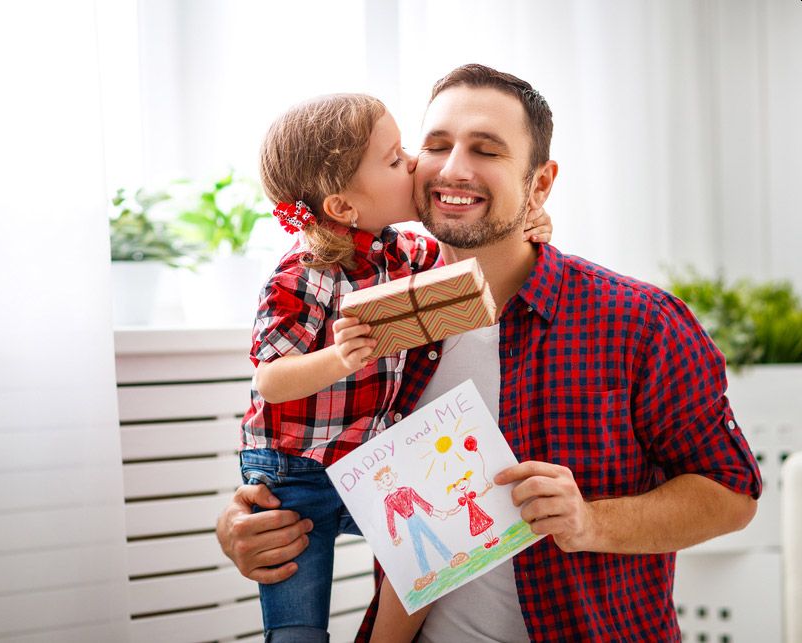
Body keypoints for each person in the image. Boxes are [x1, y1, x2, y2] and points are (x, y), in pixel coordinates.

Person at [217, 64, 762, 642]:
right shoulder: (378, 319)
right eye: (434, 145)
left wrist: (590, 521)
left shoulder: (639, 322)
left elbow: (731, 493)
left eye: (487, 149)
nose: (453, 168)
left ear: (540, 184)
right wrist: (252, 521)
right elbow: (308, 445)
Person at [239, 92, 552, 642]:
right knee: (295, 628)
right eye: (394, 159)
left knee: (428, 552)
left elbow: (471, 258)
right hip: (297, 472)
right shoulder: (300, 274)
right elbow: (269, 378)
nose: (411, 163)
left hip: (364, 464)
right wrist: (338, 358)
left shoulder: (402, 252)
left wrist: (531, 221)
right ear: (341, 206)